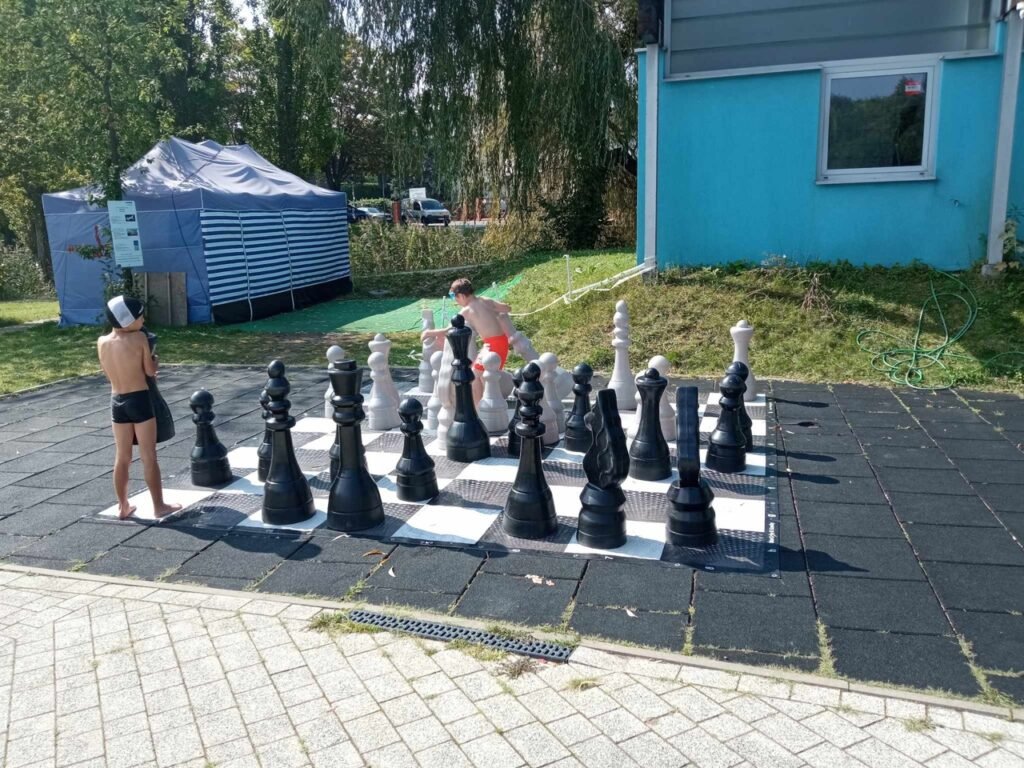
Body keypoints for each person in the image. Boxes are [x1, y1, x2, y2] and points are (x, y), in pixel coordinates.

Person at [97, 296, 182, 520]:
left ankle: (123, 506)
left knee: (122, 456)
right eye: (140, 317)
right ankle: (159, 506)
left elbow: (107, 374)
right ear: (127, 321)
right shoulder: (139, 338)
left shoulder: (102, 342)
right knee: (148, 456)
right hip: (140, 400)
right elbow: (150, 371)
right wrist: (155, 360)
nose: (143, 320)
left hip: (116, 401)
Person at [422, 278, 511, 403]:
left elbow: (449, 330)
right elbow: (507, 308)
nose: (456, 301)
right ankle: (485, 404)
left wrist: (428, 333)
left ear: (462, 296)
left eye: (454, 297)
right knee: (483, 377)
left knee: (473, 376)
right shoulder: (485, 300)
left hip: (493, 345)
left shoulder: (466, 311)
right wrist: (495, 312)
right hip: (501, 342)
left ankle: (479, 407)